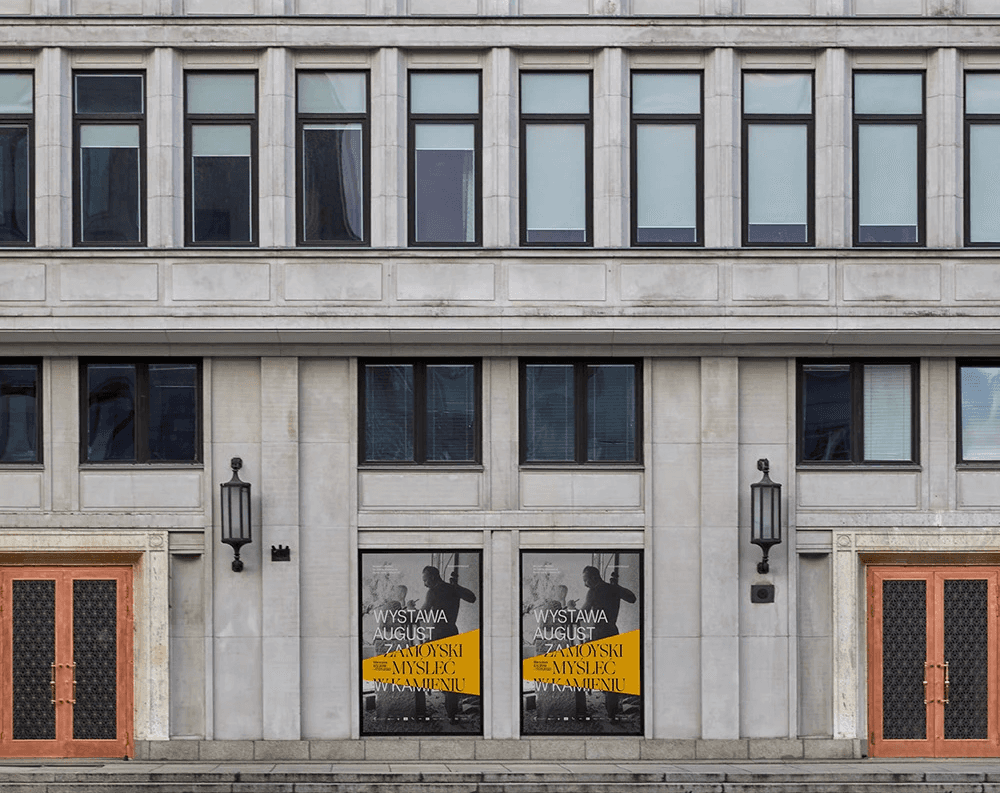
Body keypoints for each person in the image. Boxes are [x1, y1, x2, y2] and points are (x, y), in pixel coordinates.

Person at [576, 565, 636, 721]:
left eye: (586, 580)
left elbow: (581, 615)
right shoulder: (613, 589)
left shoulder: (594, 591)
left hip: (599, 634)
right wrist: (616, 587)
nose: (585, 584)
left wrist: (569, 608)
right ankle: (612, 713)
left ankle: (583, 704)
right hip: (612, 632)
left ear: (594, 578)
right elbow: (632, 598)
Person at [420, 565, 477, 722]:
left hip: (439, 635)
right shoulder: (453, 589)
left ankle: (431, 694)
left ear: (432, 577)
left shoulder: (433, 592)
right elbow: (472, 598)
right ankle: (451, 713)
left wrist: (410, 608)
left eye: (425, 580)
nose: (424, 583)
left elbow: (422, 614)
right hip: (452, 632)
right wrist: (456, 587)